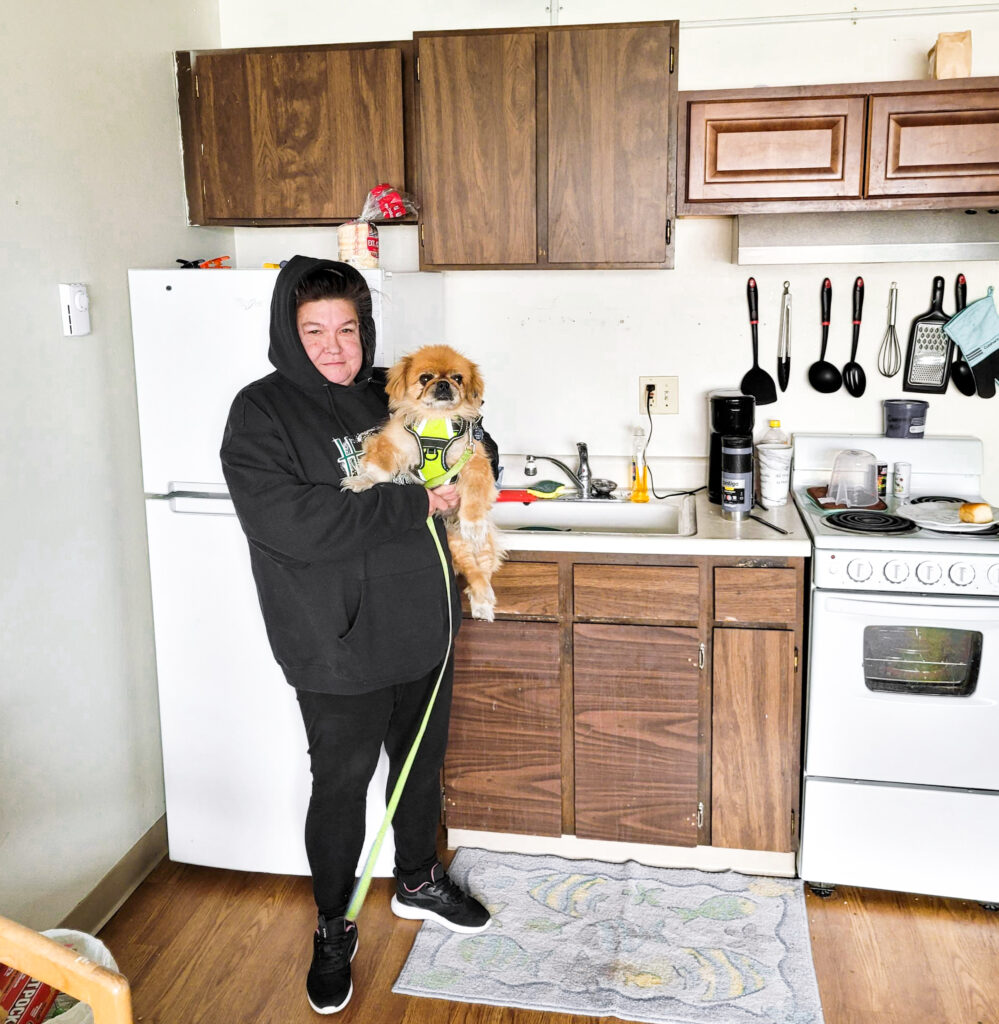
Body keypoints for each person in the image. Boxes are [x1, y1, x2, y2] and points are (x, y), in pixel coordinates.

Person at [220, 256, 492, 1015]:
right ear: (288, 333)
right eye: (314, 332)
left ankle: (416, 880)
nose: (334, 348)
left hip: (425, 620)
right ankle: (334, 925)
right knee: (340, 786)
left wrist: (471, 460)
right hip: (333, 639)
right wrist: (413, 506)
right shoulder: (261, 412)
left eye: (346, 329)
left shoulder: (393, 387)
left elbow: (468, 440)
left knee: (420, 765)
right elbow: (294, 525)